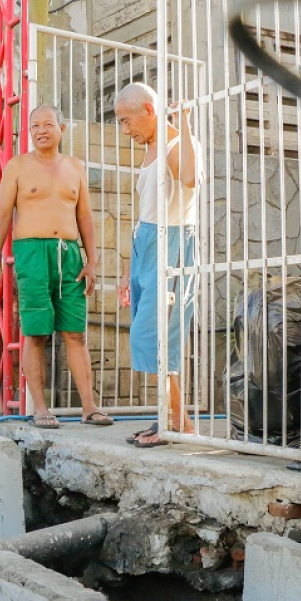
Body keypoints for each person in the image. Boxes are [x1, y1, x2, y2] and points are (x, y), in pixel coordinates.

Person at [0, 105, 112, 429]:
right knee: (36, 332)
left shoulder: (75, 167)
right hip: (31, 253)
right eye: (35, 126)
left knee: (75, 333)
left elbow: (84, 216)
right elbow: (2, 215)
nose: (41, 130)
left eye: (48, 124)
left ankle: (90, 407)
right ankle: (40, 408)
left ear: (62, 128)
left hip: (69, 253)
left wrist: (92, 261)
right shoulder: (17, 166)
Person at [114, 83, 202, 448]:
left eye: (125, 120)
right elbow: (148, 208)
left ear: (149, 110)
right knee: (154, 337)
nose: (124, 129)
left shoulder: (178, 144)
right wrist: (128, 269)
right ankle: (173, 419)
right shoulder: (151, 147)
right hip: (146, 244)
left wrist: (184, 126)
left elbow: (189, 179)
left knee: (154, 336)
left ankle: (174, 422)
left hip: (173, 243)